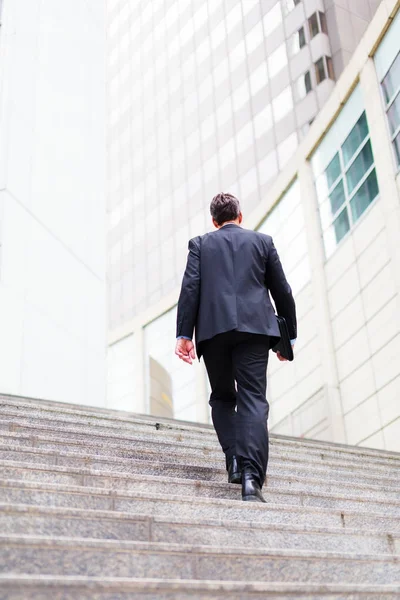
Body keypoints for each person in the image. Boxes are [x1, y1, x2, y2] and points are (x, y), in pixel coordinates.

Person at [175, 192, 297, 503]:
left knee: (222, 397)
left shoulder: (200, 244)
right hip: (256, 330)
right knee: (253, 399)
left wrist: (183, 335)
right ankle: (251, 480)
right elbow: (282, 290)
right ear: (239, 216)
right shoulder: (263, 242)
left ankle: (233, 458)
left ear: (214, 221)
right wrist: (288, 338)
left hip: (213, 332)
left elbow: (190, 288)